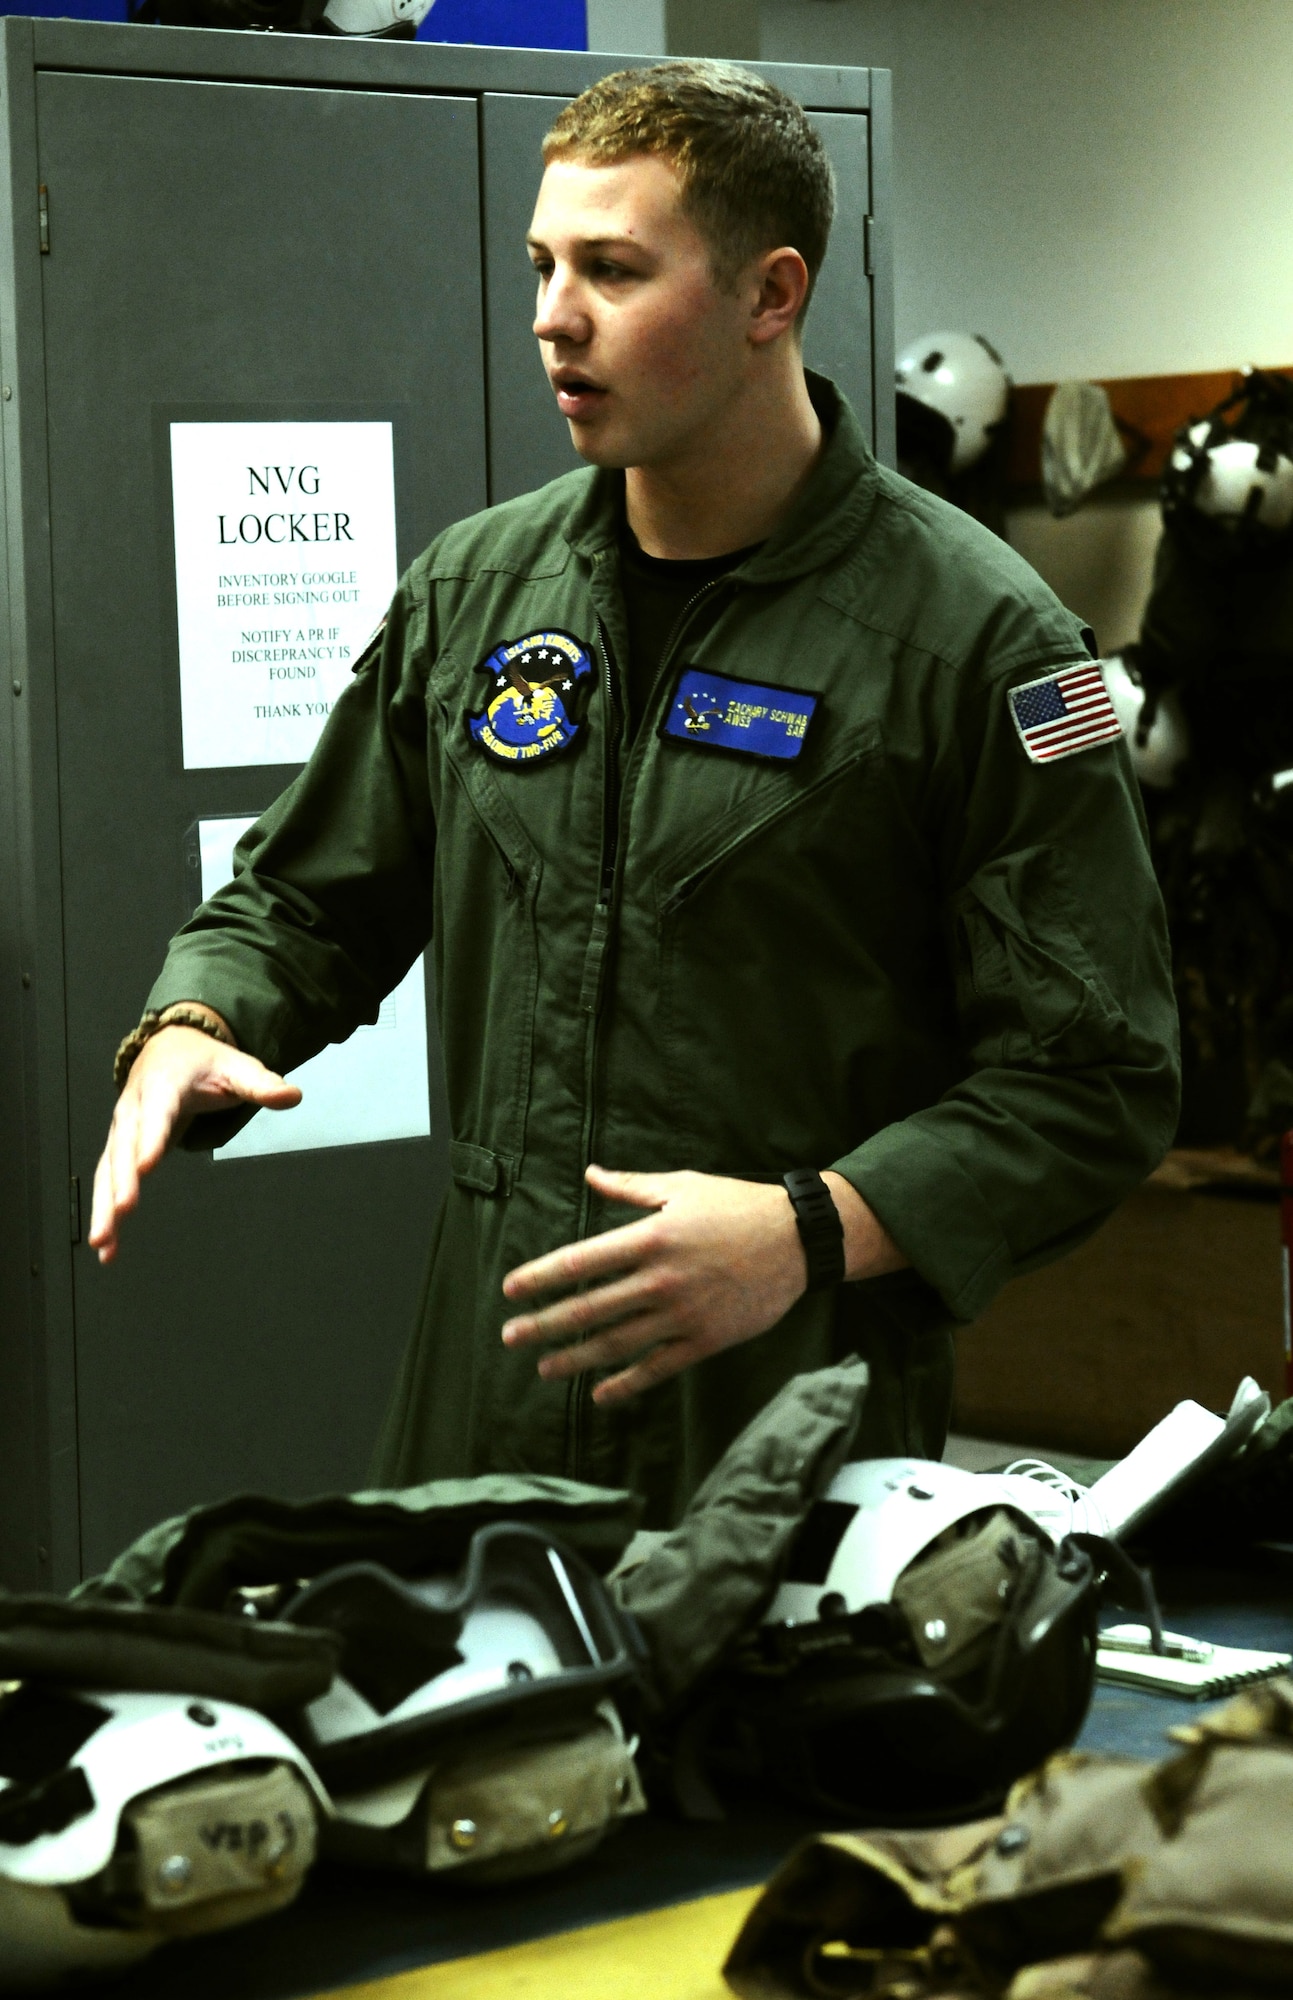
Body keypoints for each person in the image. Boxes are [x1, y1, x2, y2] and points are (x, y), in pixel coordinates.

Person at [89, 62, 1179, 1526]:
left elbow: (1091, 1077)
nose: (551, 315)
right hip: (488, 1390)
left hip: (790, 1416)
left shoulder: (970, 641)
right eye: (542, 265)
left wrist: (810, 1232)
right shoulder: (481, 590)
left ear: (768, 295)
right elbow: (307, 893)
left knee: (748, 1755)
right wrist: (197, 1021)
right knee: (473, 1750)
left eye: (611, 269)